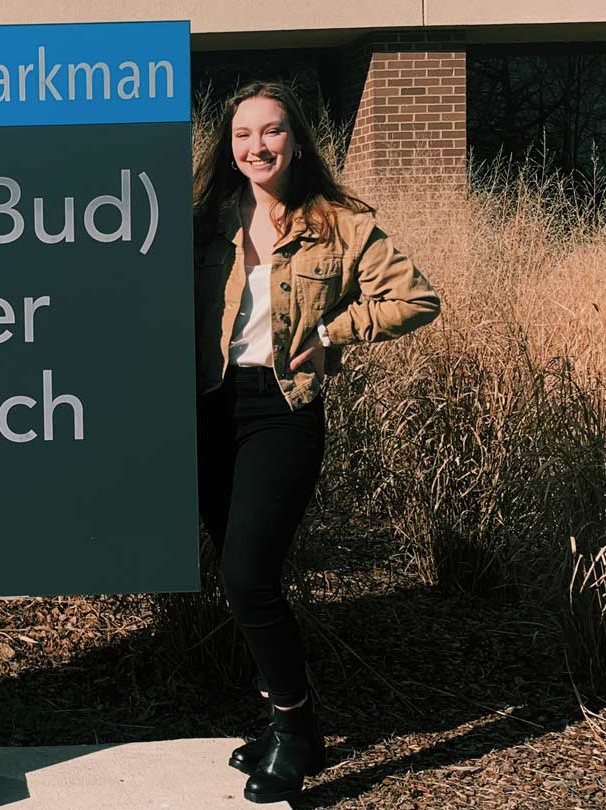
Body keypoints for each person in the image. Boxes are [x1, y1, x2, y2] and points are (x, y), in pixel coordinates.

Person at [191, 80, 441, 804]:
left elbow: (416, 298)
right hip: (210, 405)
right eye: (243, 134)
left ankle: (296, 728)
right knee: (239, 579)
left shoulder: (341, 225)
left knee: (248, 576)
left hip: (282, 410)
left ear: (295, 140)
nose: (256, 146)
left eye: (270, 132)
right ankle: (285, 721)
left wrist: (333, 333)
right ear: (229, 145)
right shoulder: (210, 219)